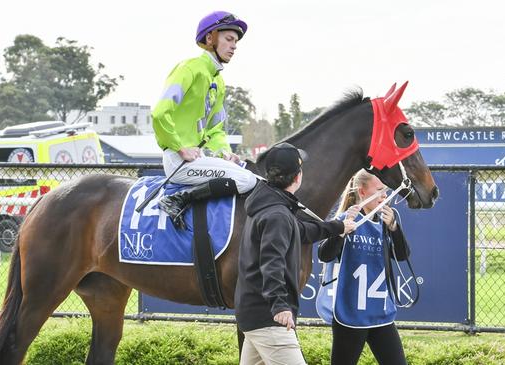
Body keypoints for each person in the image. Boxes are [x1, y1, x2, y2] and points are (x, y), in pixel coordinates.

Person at [235, 142, 356, 365]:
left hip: (254, 315)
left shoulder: (271, 207)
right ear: (297, 176)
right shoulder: (277, 214)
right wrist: (280, 305)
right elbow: (271, 263)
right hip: (270, 317)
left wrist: (338, 227)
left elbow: (301, 231)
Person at [152, 11, 257, 228]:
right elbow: (160, 113)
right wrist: (180, 147)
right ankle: (178, 200)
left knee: (248, 172)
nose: (234, 46)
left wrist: (225, 152)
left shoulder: (219, 83)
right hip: (178, 161)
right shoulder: (188, 69)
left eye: (236, 41)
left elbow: (215, 130)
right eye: (229, 39)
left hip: (197, 160)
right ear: (210, 38)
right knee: (247, 180)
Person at [318, 169, 411, 365]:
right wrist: (342, 229)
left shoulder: (386, 220)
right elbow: (324, 254)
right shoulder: (347, 218)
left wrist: (394, 228)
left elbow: (402, 256)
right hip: (351, 314)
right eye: (379, 191)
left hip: (380, 313)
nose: (384, 196)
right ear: (362, 192)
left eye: (385, 191)